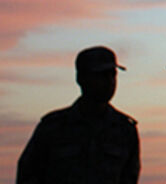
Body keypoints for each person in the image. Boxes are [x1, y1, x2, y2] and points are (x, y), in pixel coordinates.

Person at [17, 46, 140, 184]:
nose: (109, 81)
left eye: (112, 74)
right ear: (81, 78)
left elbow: (129, 177)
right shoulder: (53, 128)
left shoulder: (125, 130)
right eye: (101, 75)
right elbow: (28, 174)